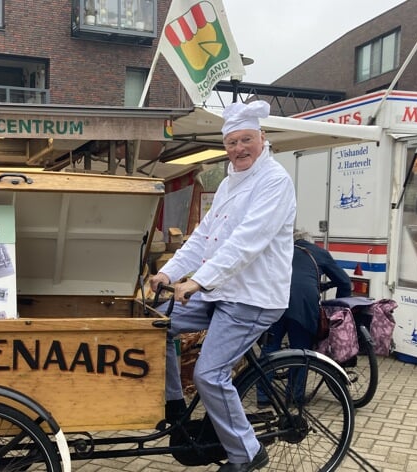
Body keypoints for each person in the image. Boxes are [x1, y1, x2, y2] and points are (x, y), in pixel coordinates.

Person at [149, 100, 296, 472]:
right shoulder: (231, 181)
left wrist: (198, 280)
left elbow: (246, 242)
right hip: (222, 292)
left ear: (262, 138)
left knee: (209, 374)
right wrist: (170, 272)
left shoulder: (275, 181)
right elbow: (202, 238)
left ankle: (247, 454)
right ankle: (174, 405)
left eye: (246, 140)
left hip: (253, 297)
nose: (239, 149)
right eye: (232, 142)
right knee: (156, 325)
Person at [258, 230, 351, 404]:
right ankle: (294, 397)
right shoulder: (320, 253)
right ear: (311, 242)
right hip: (303, 306)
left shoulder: (282, 250)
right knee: (300, 352)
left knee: (270, 347)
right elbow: (345, 282)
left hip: (275, 302)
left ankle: (263, 396)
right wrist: (340, 309)